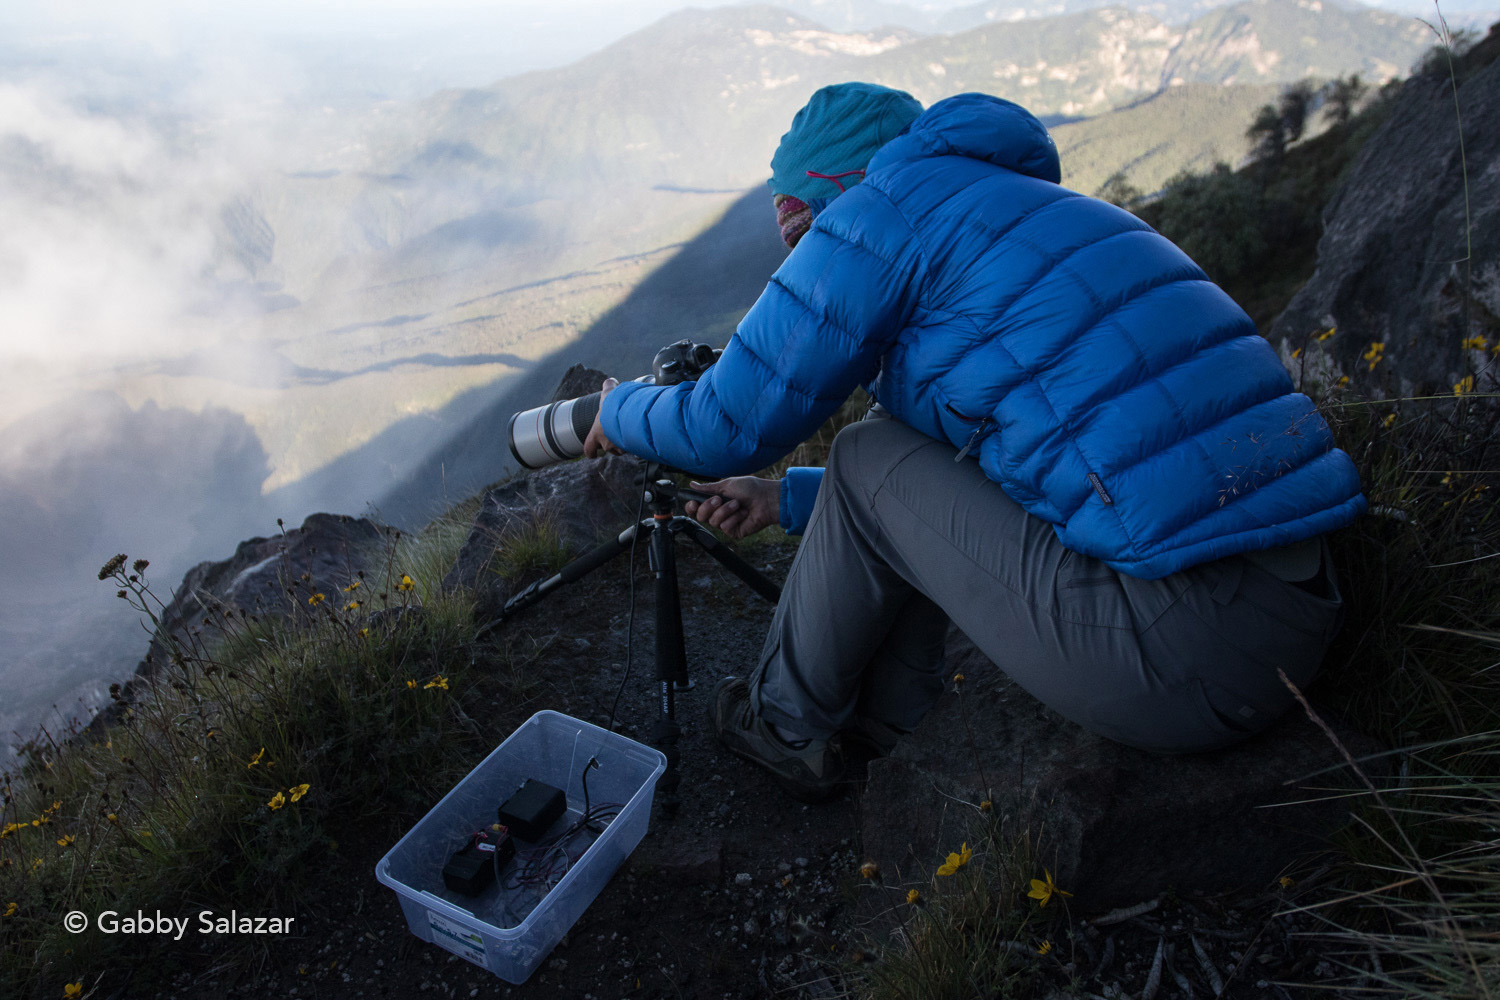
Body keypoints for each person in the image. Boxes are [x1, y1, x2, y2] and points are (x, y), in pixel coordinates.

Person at [584, 82, 1366, 802]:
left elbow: (725, 426)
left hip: (1189, 651)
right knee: (883, 446)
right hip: (1293, 604)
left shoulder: (879, 214)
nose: (805, 258)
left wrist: (617, 409)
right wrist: (785, 497)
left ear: (830, 197)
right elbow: (1002, 467)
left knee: (863, 450)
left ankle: (781, 727)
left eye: (802, 235)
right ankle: (887, 725)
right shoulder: (1027, 209)